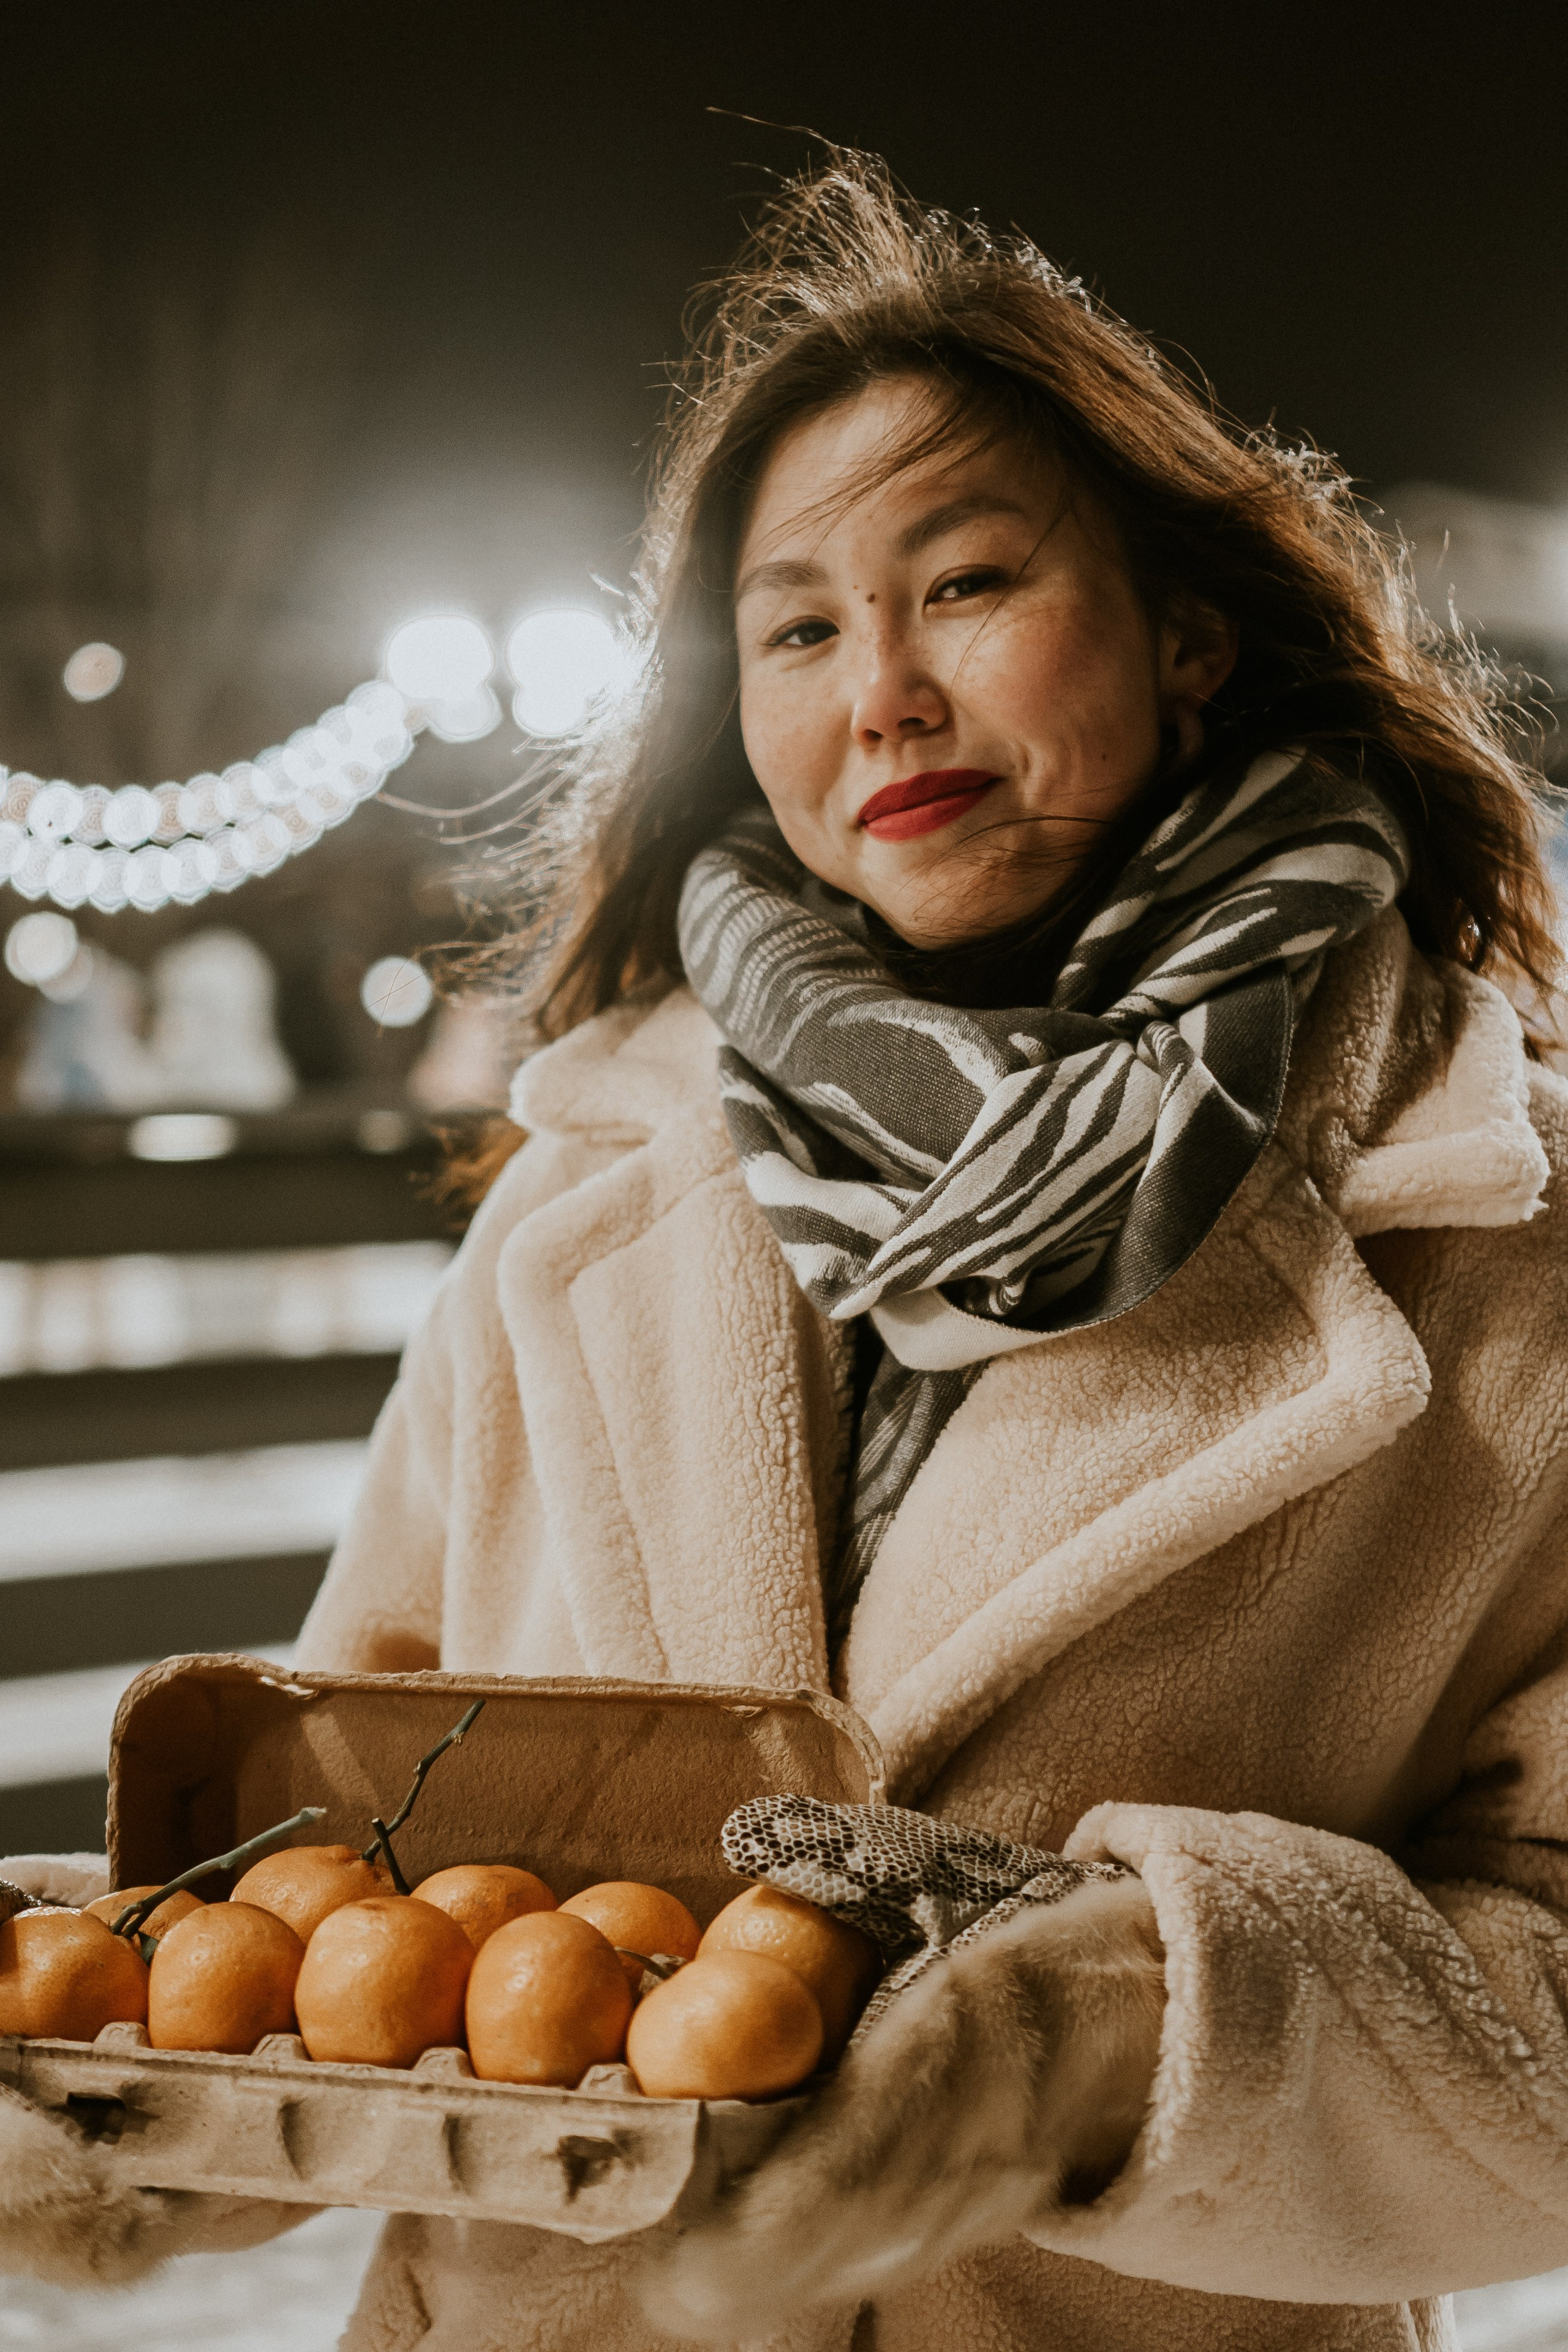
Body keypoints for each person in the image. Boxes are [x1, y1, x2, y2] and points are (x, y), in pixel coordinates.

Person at [7, 151, 1568, 2352]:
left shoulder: (1492, 1231)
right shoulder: (591, 1184)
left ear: (1186, 635)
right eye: (802, 625)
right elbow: (358, 1849)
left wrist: (1120, 2040)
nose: (886, 694)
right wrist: (125, 2087)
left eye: (969, 584)